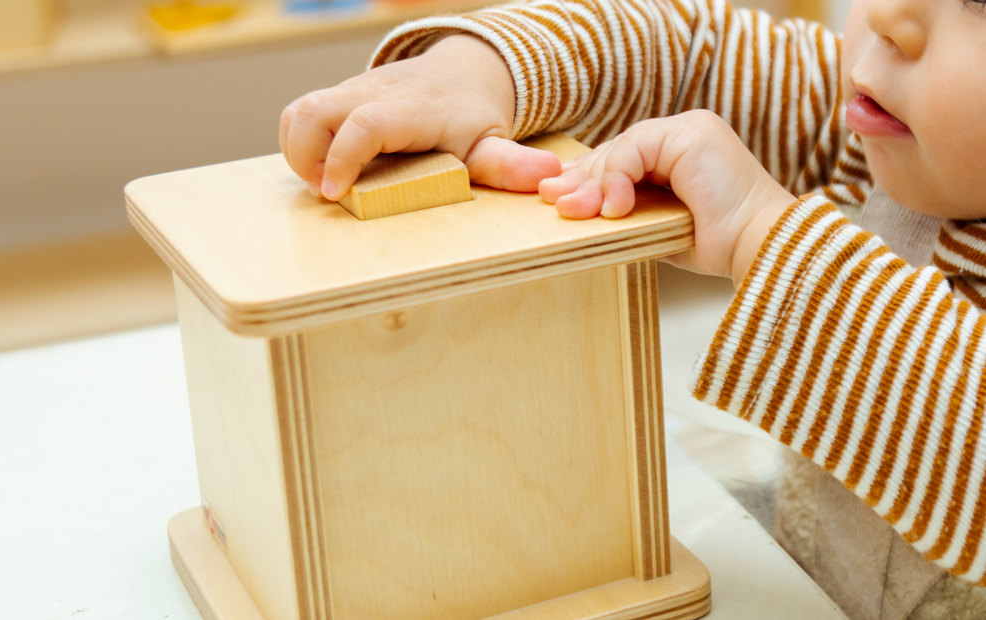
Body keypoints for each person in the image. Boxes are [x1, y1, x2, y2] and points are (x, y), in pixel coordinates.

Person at [278, 1, 986, 617]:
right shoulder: (879, 133)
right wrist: (475, 72)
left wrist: (756, 229)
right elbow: (681, 50)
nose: (892, 14)